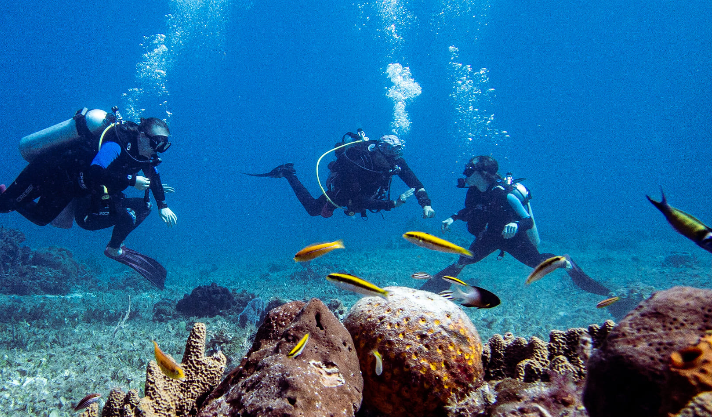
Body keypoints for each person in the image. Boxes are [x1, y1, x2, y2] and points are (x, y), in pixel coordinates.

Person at [0, 113, 177, 302]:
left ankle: (5, 194)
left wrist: (162, 204)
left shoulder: (144, 155)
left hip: (69, 185)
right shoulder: (117, 143)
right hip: (49, 171)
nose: (157, 150)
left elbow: (153, 177)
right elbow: (96, 170)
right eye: (155, 142)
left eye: (162, 146)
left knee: (40, 218)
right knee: (8, 203)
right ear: (141, 134)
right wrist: (130, 179)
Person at [419, 155, 610, 295]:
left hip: (513, 239)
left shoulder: (505, 193)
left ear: (481, 174)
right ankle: (429, 293)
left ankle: (566, 263)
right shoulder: (474, 191)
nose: (465, 174)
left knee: (536, 262)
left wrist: (516, 226)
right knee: (462, 261)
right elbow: (470, 210)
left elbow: (528, 221)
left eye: (469, 170)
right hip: (489, 236)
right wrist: (453, 217)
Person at [249, 130, 435, 219]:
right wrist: (392, 204)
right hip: (344, 192)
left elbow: (416, 184)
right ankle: (289, 173)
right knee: (314, 210)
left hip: (365, 196)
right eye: (390, 154)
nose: (393, 161)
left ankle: (288, 173)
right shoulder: (357, 162)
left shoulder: (395, 162)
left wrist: (425, 204)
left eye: (396, 154)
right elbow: (356, 200)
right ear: (379, 151)